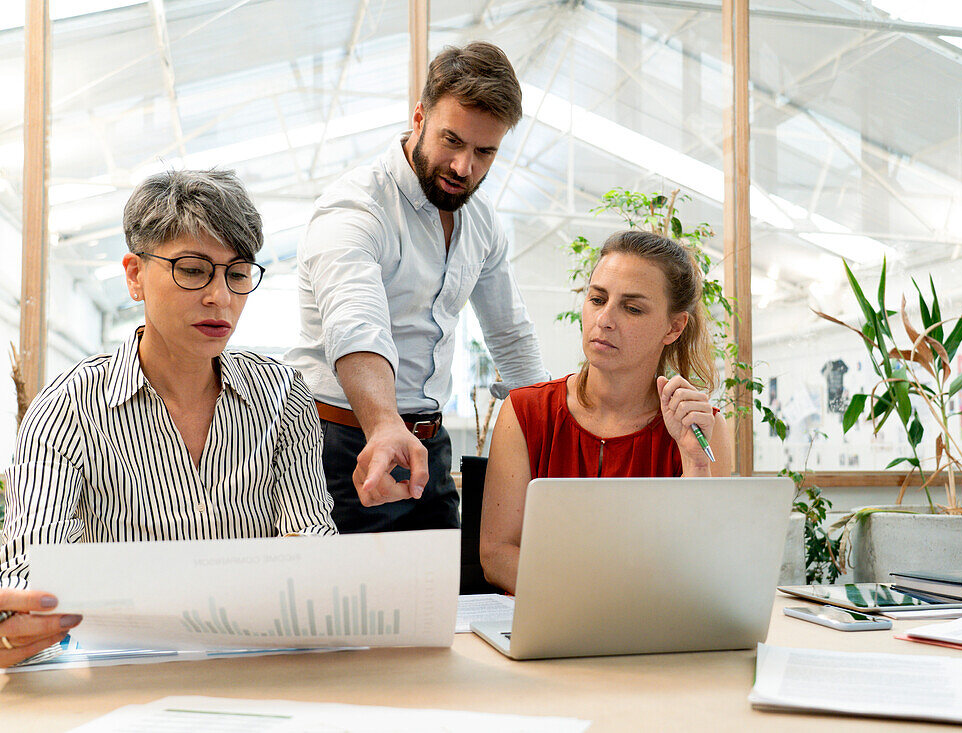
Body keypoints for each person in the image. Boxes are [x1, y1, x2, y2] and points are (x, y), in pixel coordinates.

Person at [0, 170, 337, 667]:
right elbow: (35, 566)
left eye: (237, 274)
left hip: (256, 667)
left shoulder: (282, 397)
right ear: (134, 275)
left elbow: (311, 541)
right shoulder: (67, 409)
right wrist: (21, 621)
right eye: (193, 269)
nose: (219, 297)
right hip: (124, 675)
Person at [285, 42, 548, 534]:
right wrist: (383, 423)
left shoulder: (483, 223)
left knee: (443, 599)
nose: (464, 167)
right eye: (452, 141)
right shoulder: (355, 207)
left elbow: (512, 339)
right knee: (351, 606)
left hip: (428, 443)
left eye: (484, 152)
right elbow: (355, 322)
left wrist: (554, 437)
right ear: (420, 117)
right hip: (338, 445)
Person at [480, 230, 734, 594]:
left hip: (648, 638)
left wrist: (695, 464)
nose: (605, 319)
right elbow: (496, 555)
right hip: (546, 624)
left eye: (632, 308)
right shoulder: (524, 411)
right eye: (597, 299)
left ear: (674, 327)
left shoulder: (700, 428)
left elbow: (705, 568)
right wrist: (595, 601)